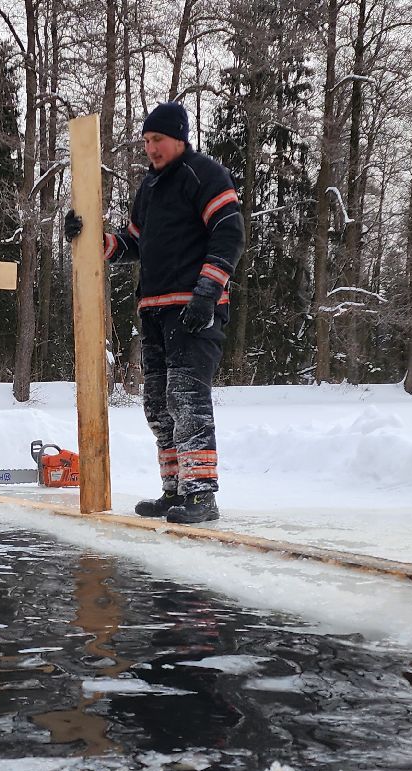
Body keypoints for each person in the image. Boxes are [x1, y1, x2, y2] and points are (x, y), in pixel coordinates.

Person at [66, 101, 243, 525]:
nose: (151, 149)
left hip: (195, 308)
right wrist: (91, 237)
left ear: (179, 137)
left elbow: (229, 233)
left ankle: (201, 494)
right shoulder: (147, 189)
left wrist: (207, 290)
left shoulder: (205, 176)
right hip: (154, 312)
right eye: (146, 141)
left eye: (157, 140)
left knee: (187, 399)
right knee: (158, 405)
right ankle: (174, 490)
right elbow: (132, 245)